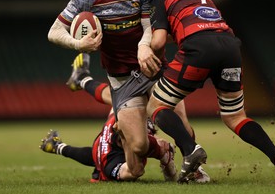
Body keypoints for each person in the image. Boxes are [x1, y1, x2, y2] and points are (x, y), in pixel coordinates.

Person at [141, 0, 275, 184]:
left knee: (156, 106)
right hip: (230, 47)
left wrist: (145, 49)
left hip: (199, 48)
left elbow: (159, 41)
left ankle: (190, 148)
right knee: (235, 116)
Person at [47, 0, 165, 180]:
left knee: (175, 114)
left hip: (149, 65)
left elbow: (148, 26)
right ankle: (83, 80)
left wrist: (144, 47)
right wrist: (79, 45)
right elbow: (54, 31)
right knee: (139, 146)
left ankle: (193, 165)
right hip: (119, 74)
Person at [67, 52, 210, 182]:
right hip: (130, 70)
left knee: (178, 119)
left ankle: (82, 79)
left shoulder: (109, 149)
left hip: (152, 64)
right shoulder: (112, 151)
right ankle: (82, 79)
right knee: (140, 145)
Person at [39, 109, 177, 182]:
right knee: (157, 150)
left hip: (102, 144)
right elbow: (134, 172)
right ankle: (57, 146)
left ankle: (57, 146)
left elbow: (115, 99)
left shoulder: (119, 116)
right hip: (107, 158)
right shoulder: (111, 163)